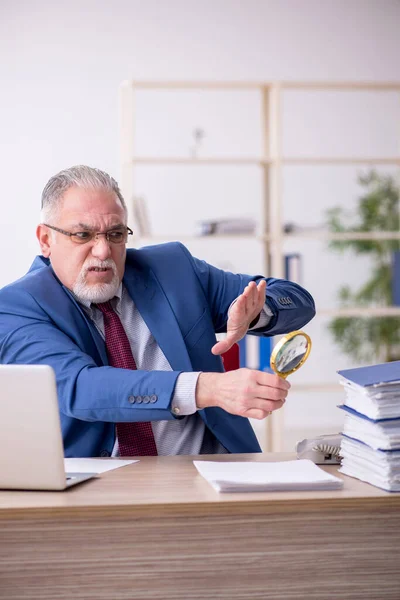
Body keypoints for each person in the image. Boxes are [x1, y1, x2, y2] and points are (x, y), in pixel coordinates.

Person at [0, 166, 315, 458]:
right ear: (46, 239)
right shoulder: (17, 307)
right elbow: (80, 388)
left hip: (213, 473)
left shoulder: (172, 270)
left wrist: (256, 313)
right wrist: (208, 389)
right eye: (83, 235)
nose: (102, 251)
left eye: (115, 234)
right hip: (97, 487)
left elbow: (296, 300)